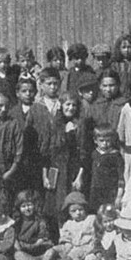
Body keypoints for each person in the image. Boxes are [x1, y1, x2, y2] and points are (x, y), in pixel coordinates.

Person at [44, 92, 89, 223]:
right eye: (67, 104)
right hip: (55, 169)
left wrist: (79, 176)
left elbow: (83, 154)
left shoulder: (80, 125)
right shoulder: (54, 124)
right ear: (61, 105)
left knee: (72, 202)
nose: (71, 108)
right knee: (54, 205)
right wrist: (45, 175)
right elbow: (47, 152)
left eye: (74, 105)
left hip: (72, 170)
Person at [9, 77, 55, 197]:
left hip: (36, 156)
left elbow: (46, 134)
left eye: (31, 91)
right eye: (24, 91)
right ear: (17, 93)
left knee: (36, 189)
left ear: (35, 92)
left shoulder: (41, 110)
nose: (28, 94)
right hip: (18, 158)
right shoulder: (12, 112)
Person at [39, 191, 97, 260]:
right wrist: (66, 243)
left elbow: (96, 234)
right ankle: (50, 254)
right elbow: (65, 236)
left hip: (85, 247)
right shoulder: (69, 223)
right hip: (71, 245)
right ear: (69, 212)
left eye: (80, 209)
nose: (78, 213)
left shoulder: (91, 219)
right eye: (74, 211)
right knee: (59, 248)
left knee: (72, 255)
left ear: (86, 208)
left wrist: (92, 244)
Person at [12, 190, 53, 260]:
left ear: (35, 205)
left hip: (37, 246)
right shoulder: (18, 222)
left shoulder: (39, 220)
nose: (27, 209)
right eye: (23, 206)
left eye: (29, 205)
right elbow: (15, 236)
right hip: (23, 247)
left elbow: (43, 236)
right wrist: (17, 245)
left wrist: (37, 243)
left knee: (47, 250)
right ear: (19, 208)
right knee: (16, 253)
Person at [88, 125, 125, 212]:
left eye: (108, 141)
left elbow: (121, 176)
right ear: (95, 141)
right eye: (101, 141)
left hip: (110, 191)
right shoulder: (94, 154)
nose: (105, 143)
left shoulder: (115, 155)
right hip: (95, 191)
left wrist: (119, 195)